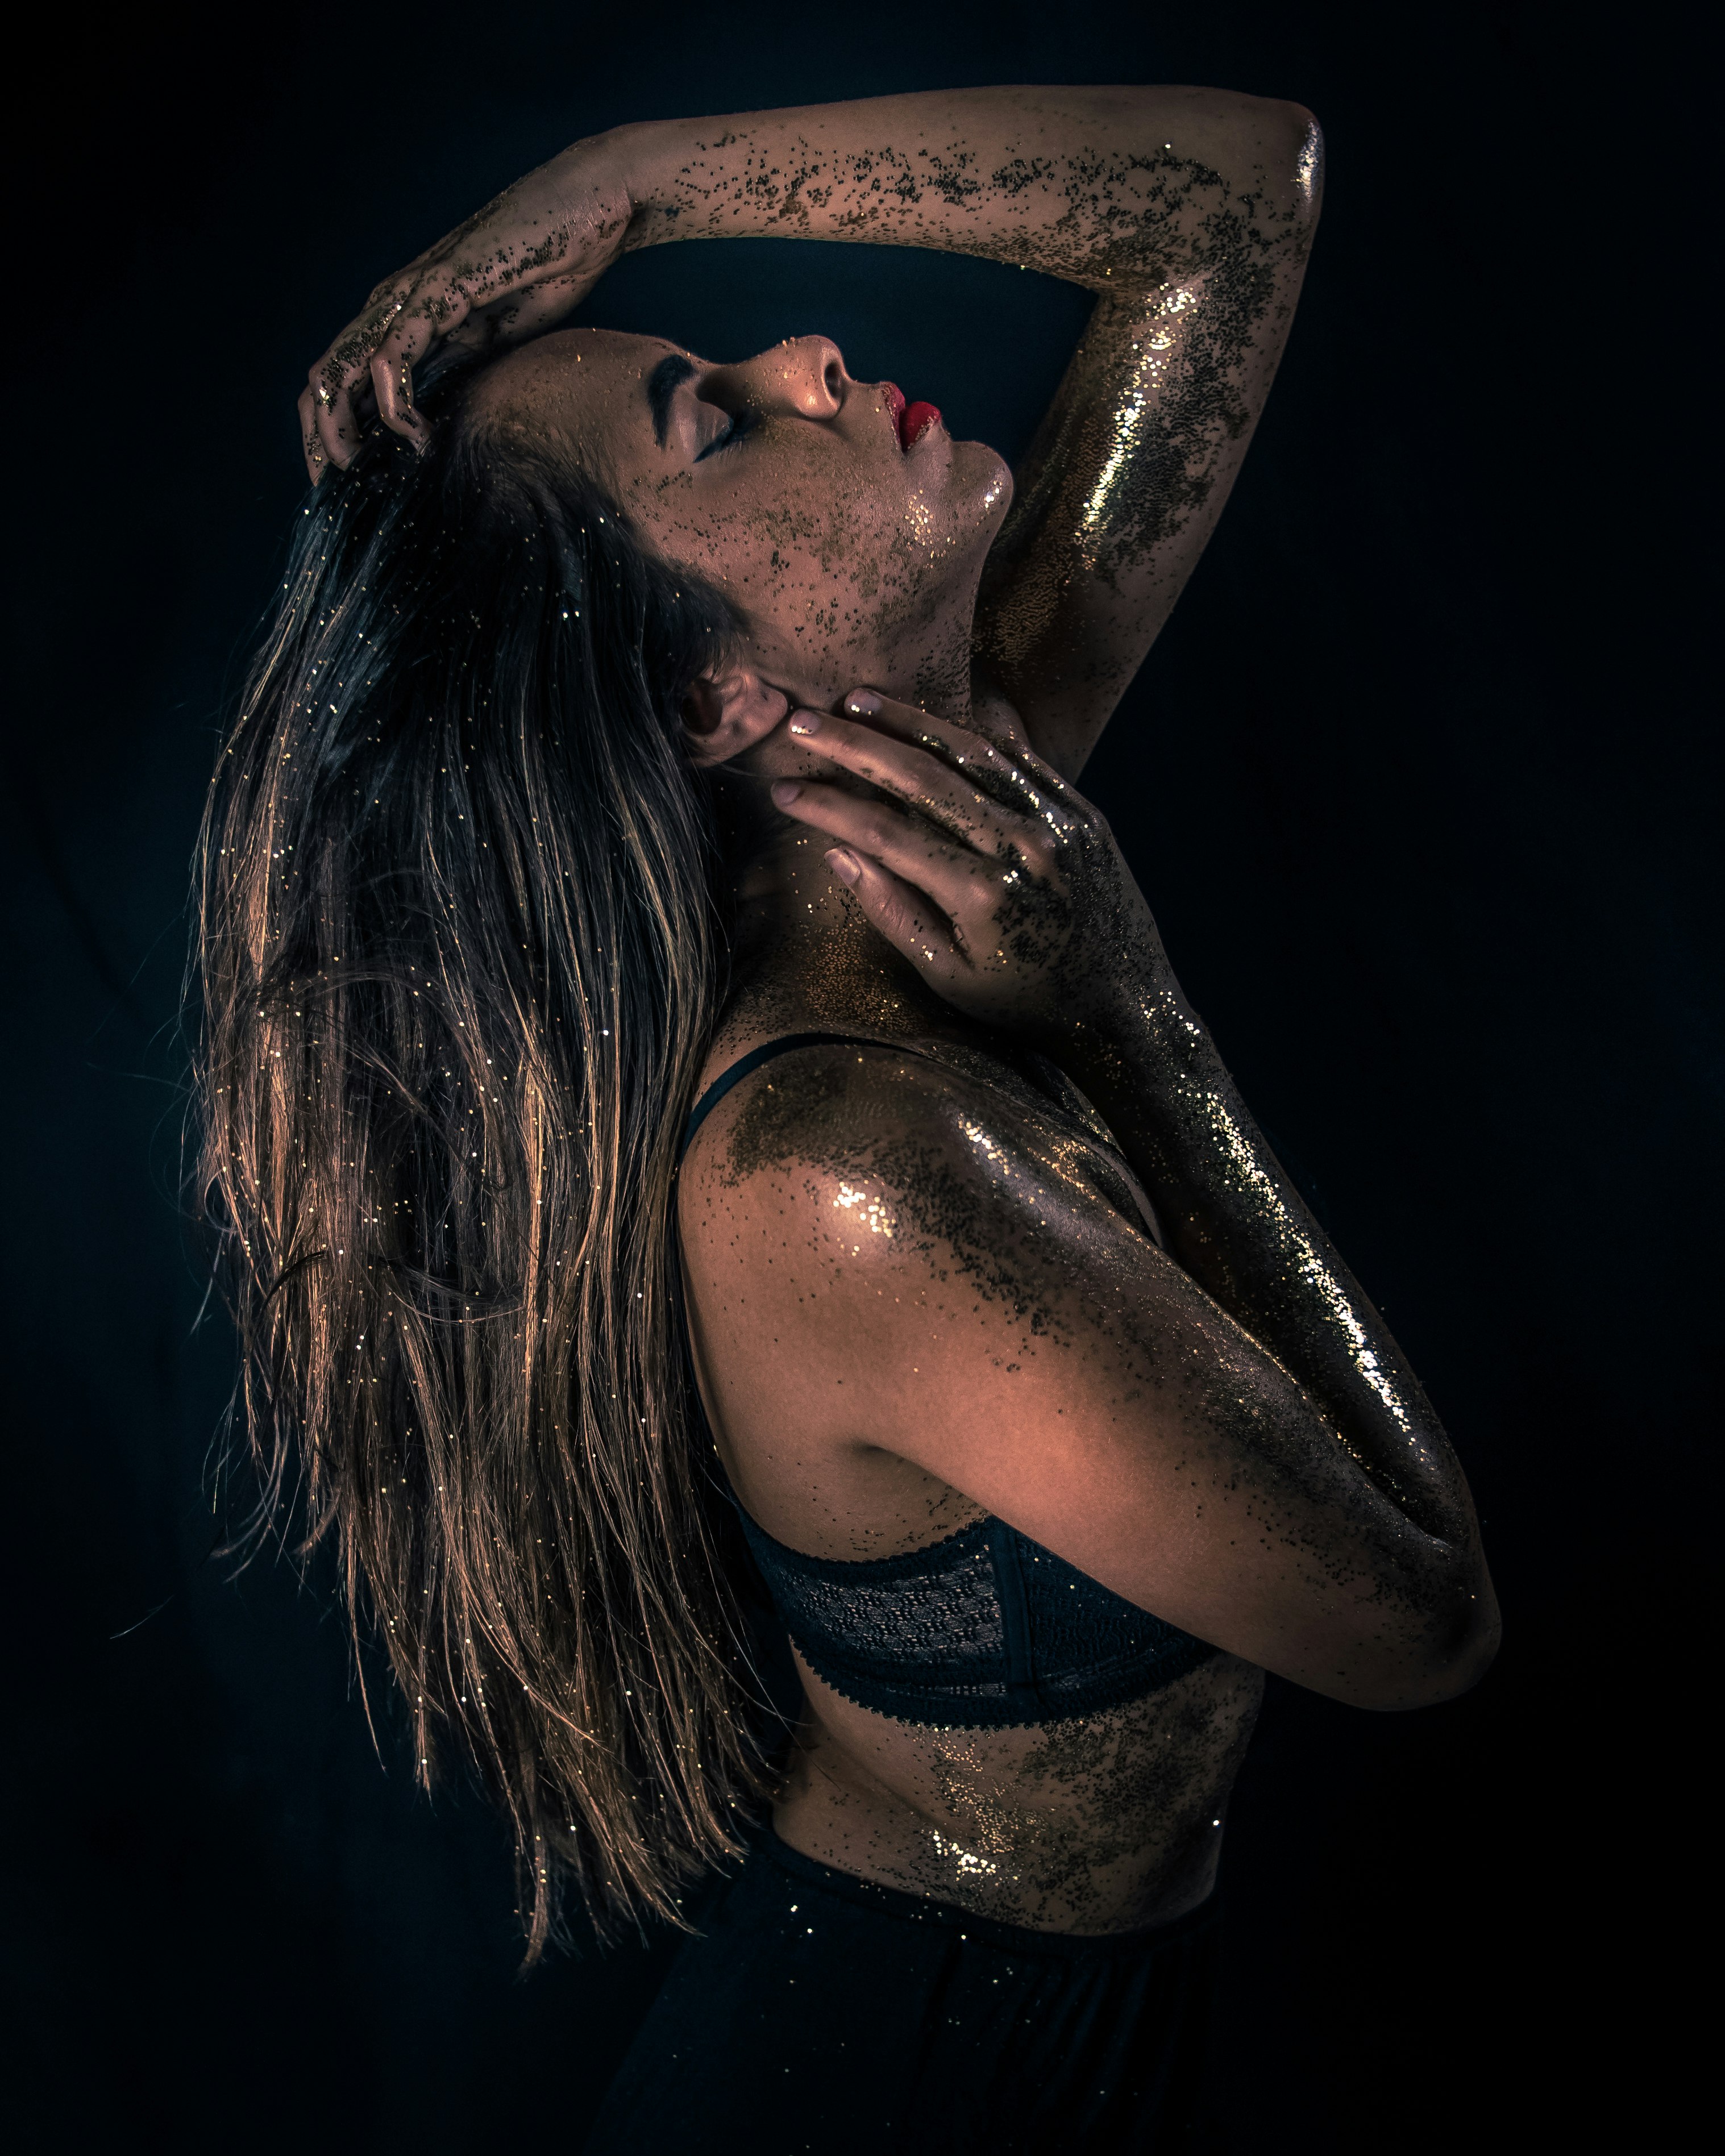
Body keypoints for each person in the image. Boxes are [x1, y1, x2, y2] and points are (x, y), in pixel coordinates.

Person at [199, 89, 1499, 2151]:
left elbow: (1227, 202)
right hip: (908, 2068)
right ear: (713, 702)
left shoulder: (966, 804)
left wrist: (629, 174)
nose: (805, 351)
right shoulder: (833, 1171)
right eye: (715, 418)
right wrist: (1135, 1020)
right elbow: (1420, 1618)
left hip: (1076, 2007)